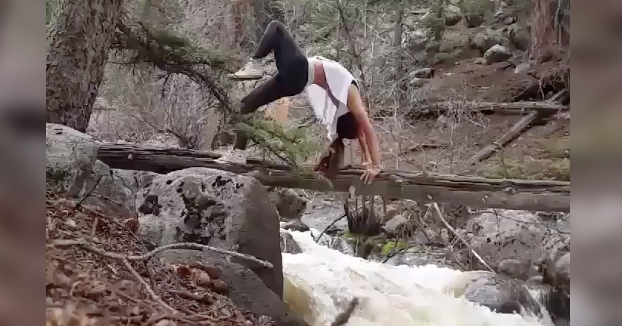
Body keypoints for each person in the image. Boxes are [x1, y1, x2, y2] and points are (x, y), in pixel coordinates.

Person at [224, 20, 382, 184]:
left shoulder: (351, 96)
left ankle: (255, 63)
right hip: (294, 81)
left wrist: (375, 165)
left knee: (276, 27)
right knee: (247, 103)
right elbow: (362, 133)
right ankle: (238, 154)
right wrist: (367, 160)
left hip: (300, 71)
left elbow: (366, 129)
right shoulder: (346, 109)